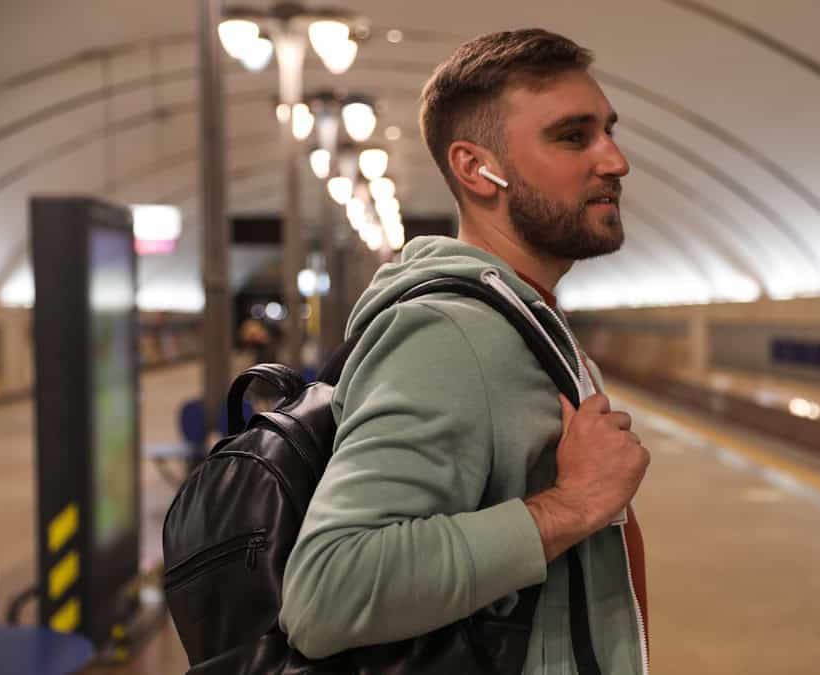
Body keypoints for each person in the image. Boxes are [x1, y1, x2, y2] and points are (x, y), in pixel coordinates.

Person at [279, 28, 650, 674]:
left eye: (609, 131)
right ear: (478, 168)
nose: (614, 161)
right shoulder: (450, 336)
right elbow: (326, 588)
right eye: (573, 136)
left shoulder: (523, 318)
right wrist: (571, 505)